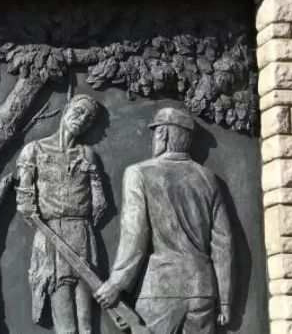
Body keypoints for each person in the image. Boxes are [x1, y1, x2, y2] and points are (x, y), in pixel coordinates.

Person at [95, 107, 233, 334]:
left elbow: (134, 235)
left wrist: (117, 284)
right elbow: (223, 244)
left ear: (164, 135)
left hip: (160, 289)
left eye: (155, 133)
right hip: (202, 289)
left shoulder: (138, 173)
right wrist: (225, 300)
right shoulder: (208, 179)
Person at [16, 94, 106, 334]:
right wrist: (49, 220)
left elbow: (100, 203)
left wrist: (78, 221)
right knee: (64, 317)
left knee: (86, 323)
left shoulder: (87, 155)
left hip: (82, 237)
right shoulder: (34, 150)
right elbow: (24, 199)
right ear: (67, 109)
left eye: (88, 118)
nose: (82, 119)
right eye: (79, 111)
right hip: (50, 237)